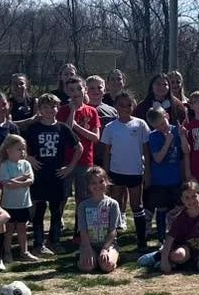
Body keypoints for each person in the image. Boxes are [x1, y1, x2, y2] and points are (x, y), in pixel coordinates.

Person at [24, 93, 80, 256]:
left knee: (57, 211)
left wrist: (70, 167)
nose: (49, 110)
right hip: (39, 175)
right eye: (45, 107)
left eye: (53, 107)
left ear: (58, 108)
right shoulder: (33, 128)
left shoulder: (63, 128)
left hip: (57, 175)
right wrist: (28, 158)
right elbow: (20, 146)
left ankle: (55, 242)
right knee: (38, 210)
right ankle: (38, 244)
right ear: (39, 109)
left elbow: (79, 148)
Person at [101, 90, 150, 250]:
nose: (125, 108)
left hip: (135, 172)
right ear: (116, 106)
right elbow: (106, 153)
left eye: (128, 105)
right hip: (116, 172)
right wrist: (106, 174)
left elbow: (146, 150)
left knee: (137, 206)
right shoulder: (110, 127)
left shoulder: (140, 124)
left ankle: (141, 241)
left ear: (133, 105)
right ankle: (112, 240)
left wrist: (147, 172)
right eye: (121, 105)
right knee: (115, 205)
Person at [60, 77, 103, 241]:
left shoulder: (91, 111)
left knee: (83, 197)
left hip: (85, 161)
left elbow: (95, 137)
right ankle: (56, 230)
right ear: (67, 91)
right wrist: (72, 112)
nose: (75, 93)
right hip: (66, 160)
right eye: (71, 90)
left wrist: (77, 127)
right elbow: (65, 131)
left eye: (79, 89)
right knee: (62, 196)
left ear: (85, 90)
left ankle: (80, 231)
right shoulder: (63, 111)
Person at [145, 107, 187, 248]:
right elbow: (157, 158)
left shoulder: (177, 130)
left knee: (178, 208)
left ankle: (177, 235)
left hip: (176, 178)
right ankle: (162, 238)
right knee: (161, 209)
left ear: (167, 116)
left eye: (163, 124)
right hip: (160, 181)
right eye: (157, 126)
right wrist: (167, 141)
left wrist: (182, 136)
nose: (162, 128)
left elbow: (186, 151)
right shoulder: (153, 136)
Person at [159, 180, 199, 273]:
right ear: (182, 199)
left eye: (194, 196)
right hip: (186, 251)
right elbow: (169, 239)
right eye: (187, 198)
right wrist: (164, 261)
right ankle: (160, 257)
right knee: (179, 255)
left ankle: (188, 266)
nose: (191, 200)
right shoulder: (180, 218)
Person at [0, 134, 39, 262]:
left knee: (22, 228)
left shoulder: (26, 164)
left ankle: (24, 252)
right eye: (19, 149)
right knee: (9, 229)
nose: (22, 152)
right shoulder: (4, 165)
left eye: (23, 149)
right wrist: (22, 179)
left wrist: (15, 181)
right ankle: (7, 252)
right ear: (9, 150)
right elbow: (6, 183)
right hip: (9, 204)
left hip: (23, 203)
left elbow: (30, 180)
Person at [77, 166, 122, 274]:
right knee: (87, 267)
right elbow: (83, 230)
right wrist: (87, 248)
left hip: (108, 244)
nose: (98, 185)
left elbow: (113, 231)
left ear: (106, 182)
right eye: (93, 183)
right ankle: (85, 257)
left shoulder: (113, 204)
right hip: (89, 245)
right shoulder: (83, 205)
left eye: (101, 181)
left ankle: (112, 256)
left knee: (107, 266)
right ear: (88, 186)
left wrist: (105, 249)